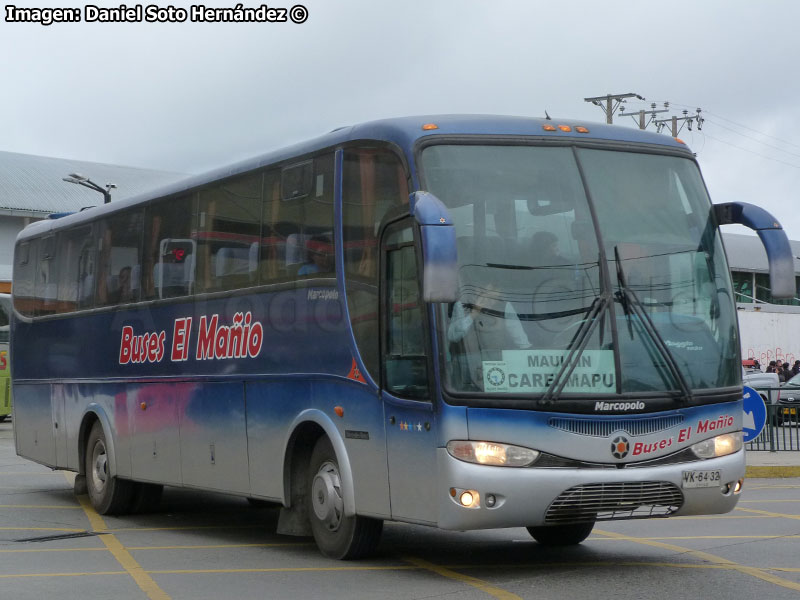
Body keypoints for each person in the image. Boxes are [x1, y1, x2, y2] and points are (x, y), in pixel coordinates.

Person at [447, 284, 530, 389]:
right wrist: (473, 314)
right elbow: (453, 336)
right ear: (476, 290)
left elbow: (521, 341)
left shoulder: (505, 306)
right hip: (467, 364)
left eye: (493, 290)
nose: (488, 295)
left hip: (497, 364)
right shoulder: (462, 305)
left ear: (499, 292)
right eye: (484, 290)